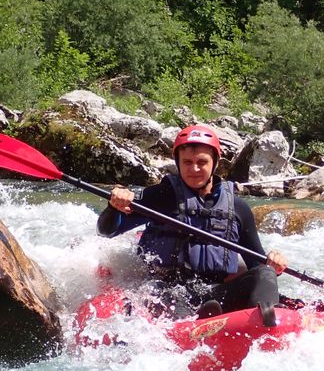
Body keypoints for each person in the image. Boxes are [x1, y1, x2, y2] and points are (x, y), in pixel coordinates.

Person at [97, 124, 287, 326]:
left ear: (215, 163)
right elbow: (106, 231)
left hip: (213, 291)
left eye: (202, 162)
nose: (194, 169)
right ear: (177, 163)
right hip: (165, 290)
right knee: (166, 293)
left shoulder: (238, 209)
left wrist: (274, 264)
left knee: (264, 274)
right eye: (187, 162)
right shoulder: (161, 197)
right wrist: (114, 207)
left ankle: (267, 323)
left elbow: (256, 264)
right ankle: (192, 324)